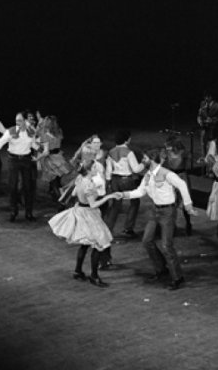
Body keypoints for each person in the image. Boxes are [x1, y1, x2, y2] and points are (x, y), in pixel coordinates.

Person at [119, 148, 197, 291]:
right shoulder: (148, 175)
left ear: (152, 159)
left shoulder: (167, 174)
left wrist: (188, 205)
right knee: (147, 241)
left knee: (167, 245)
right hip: (155, 211)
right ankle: (161, 268)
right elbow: (140, 192)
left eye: (144, 158)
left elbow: (182, 184)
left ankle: (178, 277)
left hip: (168, 212)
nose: (142, 161)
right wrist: (123, 194)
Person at [48, 160, 121, 288]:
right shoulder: (89, 184)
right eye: (94, 167)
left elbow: (74, 193)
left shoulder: (80, 179)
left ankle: (78, 271)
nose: (96, 169)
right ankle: (94, 276)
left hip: (80, 210)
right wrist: (109, 197)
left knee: (85, 244)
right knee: (100, 244)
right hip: (88, 214)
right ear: (88, 170)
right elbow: (93, 204)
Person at [0, 112, 39, 222]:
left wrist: (42, 148)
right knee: (13, 186)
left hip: (26, 160)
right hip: (13, 160)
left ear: (26, 121)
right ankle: (13, 211)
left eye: (20, 120)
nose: (17, 122)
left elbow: (33, 144)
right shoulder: (10, 131)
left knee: (28, 187)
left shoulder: (32, 131)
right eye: (16, 120)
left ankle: (28, 213)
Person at [105, 129, 144, 238]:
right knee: (135, 202)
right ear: (127, 139)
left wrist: (108, 182)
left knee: (116, 206)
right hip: (127, 180)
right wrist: (144, 164)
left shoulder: (111, 152)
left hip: (114, 180)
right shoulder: (129, 153)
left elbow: (108, 170)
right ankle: (128, 228)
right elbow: (136, 169)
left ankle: (108, 230)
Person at [162, 135, 193, 235]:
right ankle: (172, 225)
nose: (166, 147)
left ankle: (188, 223)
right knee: (172, 202)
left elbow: (190, 158)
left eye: (168, 145)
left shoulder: (183, 152)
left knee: (185, 202)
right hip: (172, 176)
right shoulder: (166, 152)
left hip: (182, 177)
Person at [35, 115, 71, 201]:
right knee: (57, 181)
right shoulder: (59, 131)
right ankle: (57, 196)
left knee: (54, 182)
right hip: (59, 157)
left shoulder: (45, 135)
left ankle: (61, 201)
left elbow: (45, 151)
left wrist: (37, 158)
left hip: (50, 160)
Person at [197, 90, 218, 159]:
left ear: (211, 97)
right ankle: (204, 158)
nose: (205, 99)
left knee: (212, 148)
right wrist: (199, 120)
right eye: (205, 97)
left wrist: (211, 121)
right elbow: (199, 115)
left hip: (213, 132)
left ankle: (211, 161)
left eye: (207, 97)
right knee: (203, 144)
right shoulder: (203, 104)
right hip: (204, 129)